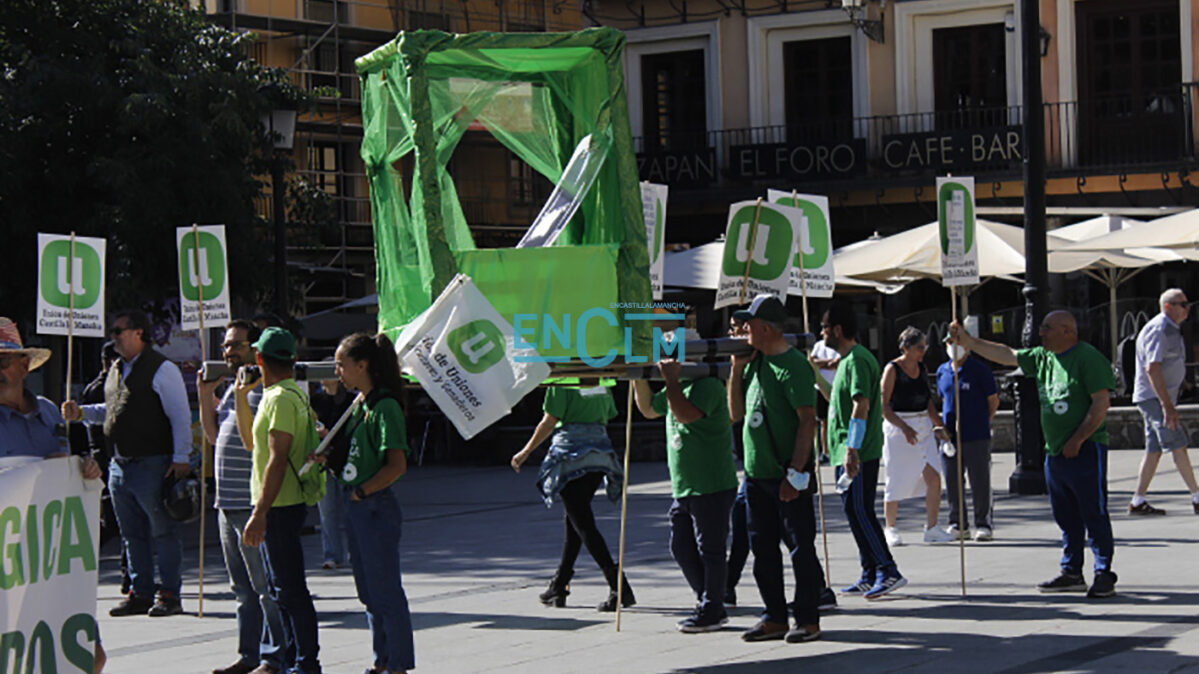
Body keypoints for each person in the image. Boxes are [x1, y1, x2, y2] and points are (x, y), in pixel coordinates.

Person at [949, 310, 1118, 598]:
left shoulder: (1089, 358)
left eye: (1047, 328)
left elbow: (1101, 404)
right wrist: (969, 342)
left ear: (1068, 331)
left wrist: (1078, 440)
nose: (1041, 333)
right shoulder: (1043, 357)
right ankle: (1072, 570)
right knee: (1065, 515)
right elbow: (1008, 354)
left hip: (1086, 449)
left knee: (1094, 511)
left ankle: (1103, 572)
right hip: (1055, 451)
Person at [63, 309, 192, 617]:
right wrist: (80, 412)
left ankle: (170, 593)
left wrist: (181, 458)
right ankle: (141, 591)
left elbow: (180, 416)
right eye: (112, 332)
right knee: (132, 535)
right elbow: (110, 409)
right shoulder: (118, 368)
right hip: (120, 465)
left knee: (163, 531)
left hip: (153, 462)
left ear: (138, 333)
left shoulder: (162, 370)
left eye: (118, 331)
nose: (113, 337)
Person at [0, 317, 106, 672]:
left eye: (2, 362)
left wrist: (85, 469)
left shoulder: (50, 411)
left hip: (56, 558)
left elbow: (77, 469)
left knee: (90, 656)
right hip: (11, 564)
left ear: (24, 365)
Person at [727, 295, 825, 643]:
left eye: (747, 325)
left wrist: (796, 473)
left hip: (787, 473)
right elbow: (736, 415)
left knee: (800, 548)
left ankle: (808, 619)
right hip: (756, 476)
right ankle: (774, 616)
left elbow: (807, 421)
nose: (740, 330)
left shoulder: (794, 365)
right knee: (763, 548)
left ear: (765, 328)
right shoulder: (754, 363)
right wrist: (737, 369)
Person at [632, 319, 738, 633]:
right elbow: (651, 409)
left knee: (712, 549)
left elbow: (686, 414)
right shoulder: (675, 384)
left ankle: (713, 606)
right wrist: (639, 376)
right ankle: (707, 596)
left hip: (711, 482)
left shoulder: (707, 384)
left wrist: (672, 380)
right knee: (681, 545)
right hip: (686, 485)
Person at [197, 319, 290, 674]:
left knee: (265, 587)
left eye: (235, 344)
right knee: (243, 590)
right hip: (227, 502)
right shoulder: (237, 387)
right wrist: (206, 395)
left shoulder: (264, 389)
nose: (227, 352)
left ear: (255, 349)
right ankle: (249, 655)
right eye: (225, 345)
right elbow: (212, 434)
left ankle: (274, 657)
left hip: (250, 502)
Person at [235, 327, 323, 673]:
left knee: (289, 590)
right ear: (293, 360)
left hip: (280, 506)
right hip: (284, 504)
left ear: (259, 359)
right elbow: (251, 446)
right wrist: (242, 397)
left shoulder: (279, 398)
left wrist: (260, 512)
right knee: (281, 589)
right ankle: (293, 660)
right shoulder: (293, 394)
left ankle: (305, 663)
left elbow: (276, 456)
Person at [329, 332, 415, 674]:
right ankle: (382, 660)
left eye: (341, 364)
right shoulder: (360, 403)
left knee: (385, 590)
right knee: (368, 590)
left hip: (374, 506)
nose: (337, 371)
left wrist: (363, 491)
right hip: (357, 506)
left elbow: (397, 464)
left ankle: (397, 664)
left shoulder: (385, 406)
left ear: (362, 365)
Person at [510, 381, 634, 612]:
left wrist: (526, 451)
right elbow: (609, 413)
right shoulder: (602, 380)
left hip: (571, 456)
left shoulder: (563, 382)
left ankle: (618, 585)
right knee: (575, 521)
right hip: (599, 455)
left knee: (583, 523)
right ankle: (559, 584)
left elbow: (550, 420)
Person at [814, 302, 906, 600]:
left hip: (858, 451)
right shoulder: (845, 362)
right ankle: (869, 571)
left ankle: (887, 568)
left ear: (838, 330)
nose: (821, 332)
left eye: (825, 327)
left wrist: (853, 448)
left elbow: (861, 404)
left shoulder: (855, 361)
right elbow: (834, 400)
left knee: (860, 509)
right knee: (852, 510)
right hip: (846, 450)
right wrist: (814, 373)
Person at [880, 327, 955, 546]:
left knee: (933, 477)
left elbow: (928, 400)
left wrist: (939, 425)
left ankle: (932, 528)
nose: (923, 351)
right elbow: (884, 407)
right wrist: (904, 428)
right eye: (919, 347)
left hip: (922, 425)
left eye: (925, 346)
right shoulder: (892, 369)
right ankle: (890, 527)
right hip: (899, 427)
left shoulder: (922, 367)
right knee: (896, 476)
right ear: (906, 348)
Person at [1128, 288, 1199, 515]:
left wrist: (1183, 385)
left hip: (1158, 397)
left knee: (1154, 449)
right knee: (1177, 443)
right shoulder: (1159, 329)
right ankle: (1197, 496)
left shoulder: (1171, 328)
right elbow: (1153, 367)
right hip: (1154, 398)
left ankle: (1138, 500)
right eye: (1183, 304)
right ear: (1168, 307)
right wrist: (1167, 406)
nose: (1188, 308)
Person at [311, 376, 353, 569]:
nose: (324, 380)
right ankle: (332, 555)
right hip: (323, 462)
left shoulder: (349, 401)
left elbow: (350, 433)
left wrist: (328, 436)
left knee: (350, 510)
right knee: (327, 512)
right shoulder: (315, 401)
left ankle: (355, 552)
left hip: (345, 462)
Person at [724, 316, 751, 607]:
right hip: (750, 458)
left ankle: (817, 587)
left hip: (771, 459)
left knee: (790, 532)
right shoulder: (737, 367)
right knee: (743, 524)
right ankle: (728, 586)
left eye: (738, 329)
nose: (733, 334)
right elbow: (734, 415)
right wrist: (735, 368)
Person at [809, 336, 840, 463]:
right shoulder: (818, 345)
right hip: (820, 388)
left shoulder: (838, 345)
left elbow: (838, 362)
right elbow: (813, 361)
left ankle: (837, 448)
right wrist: (829, 363)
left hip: (835, 386)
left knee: (838, 420)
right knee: (823, 421)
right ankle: (825, 451)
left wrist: (823, 364)